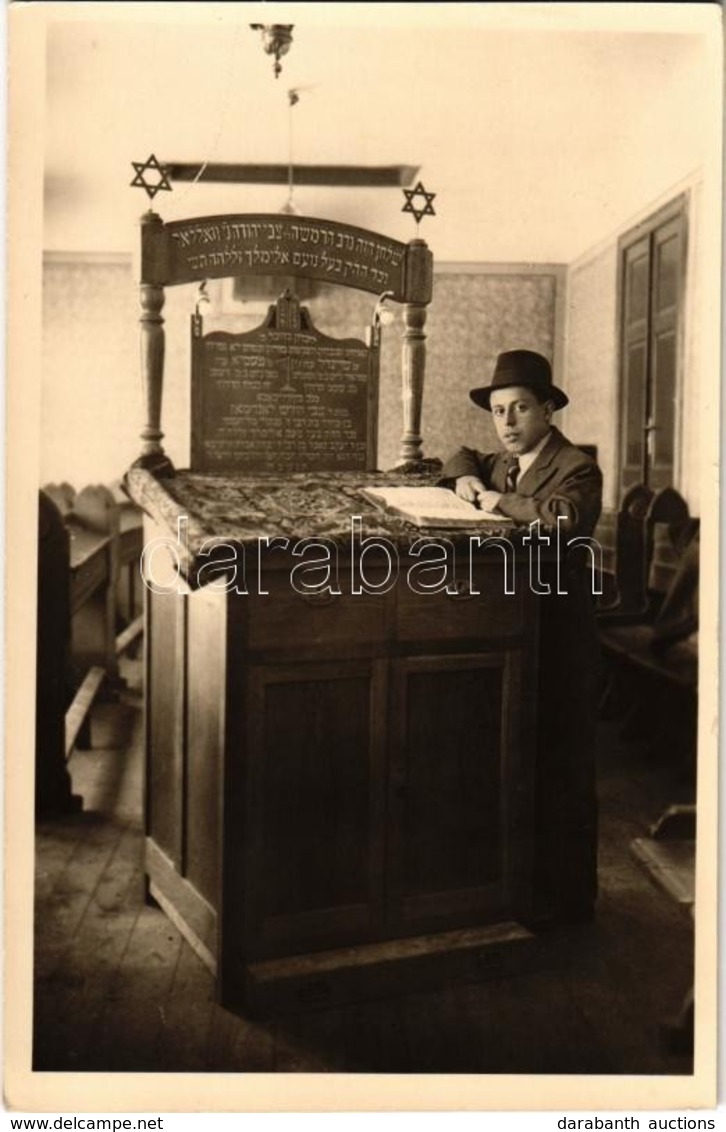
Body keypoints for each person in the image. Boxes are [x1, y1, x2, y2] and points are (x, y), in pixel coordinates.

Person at [441, 349, 603, 926]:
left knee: (562, 767)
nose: (507, 424)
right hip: (516, 630)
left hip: (560, 637)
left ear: (549, 410)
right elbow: (460, 454)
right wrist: (465, 476)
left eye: (521, 409)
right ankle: (518, 897)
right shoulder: (500, 461)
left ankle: (568, 904)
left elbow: (562, 519)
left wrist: (493, 501)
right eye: (498, 411)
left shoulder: (575, 465)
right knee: (517, 760)